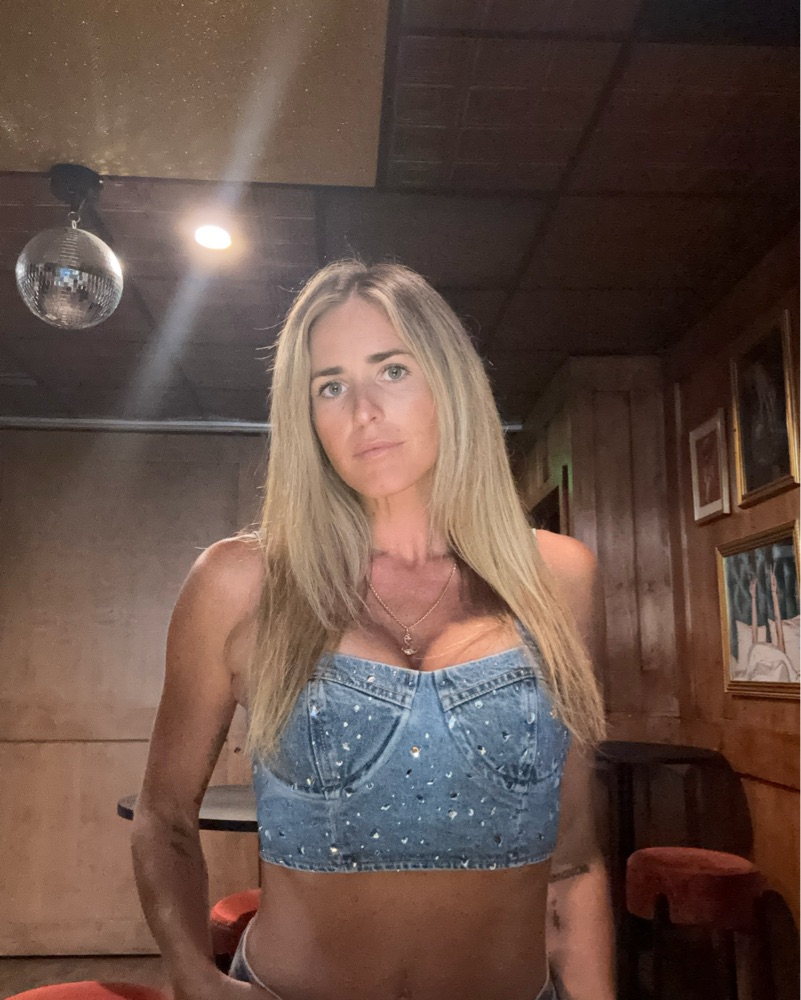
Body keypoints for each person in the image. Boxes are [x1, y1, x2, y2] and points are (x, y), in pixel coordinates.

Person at [131, 260, 616, 1000]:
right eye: (330, 386)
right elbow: (163, 818)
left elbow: (574, 859)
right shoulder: (239, 582)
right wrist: (194, 978)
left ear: (449, 383)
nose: (362, 411)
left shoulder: (559, 577)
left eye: (391, 370)